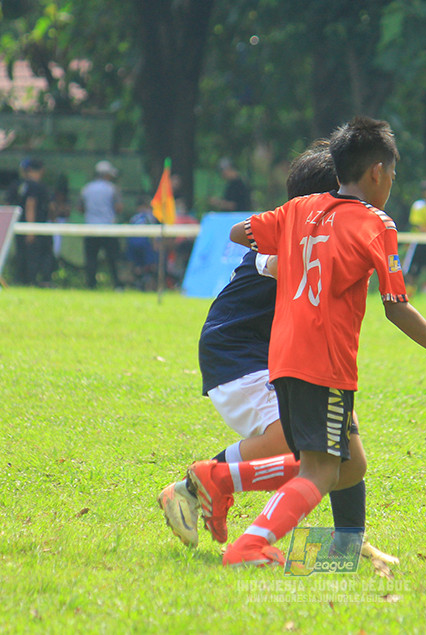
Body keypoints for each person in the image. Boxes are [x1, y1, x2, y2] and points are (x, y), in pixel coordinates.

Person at [192, 117, 426, 567]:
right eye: (393, 175)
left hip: (282, 357)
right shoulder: (376, 223)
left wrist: (293, 248)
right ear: (377, 172)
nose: (392, 184)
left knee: (349, 464)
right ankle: (247, 537)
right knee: (321, 471)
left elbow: (240, 232)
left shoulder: (302, 210)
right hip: (325, 361)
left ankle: (325, 542)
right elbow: (396, 306)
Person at [158, 141, 396, 564]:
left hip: (286, 355)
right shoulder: (293, 239)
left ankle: (344, 545)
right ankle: (193, 487)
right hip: (240, 353)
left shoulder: (319, 229)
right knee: (297, 442)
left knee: (344, 440)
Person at [80, 160, 123, 289]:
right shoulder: (113, 189)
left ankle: (91, 284)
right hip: (108, 229)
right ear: (106, 175)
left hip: (90, 228)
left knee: (91, 259)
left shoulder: (86, 189)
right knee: (113, 259)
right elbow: (119, 207)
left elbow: (80, 208)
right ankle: (117, 285)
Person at [16, 159, 53, 286]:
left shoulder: (21, 185)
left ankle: (23, 280)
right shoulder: (36, 186)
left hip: (20, 225)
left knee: (23, 254)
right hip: (36, 226)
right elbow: (30, 204)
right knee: (38, 254)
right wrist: (31, 228)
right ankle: (37, 281)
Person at [126, 196, 159, 291]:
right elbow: (152, 231)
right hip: (144, 242)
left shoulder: (134, 217)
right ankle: (148, 285)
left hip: (132, 242)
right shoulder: (149, 216)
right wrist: (155, 244)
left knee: (137, 265)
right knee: (150, 265)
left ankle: (139, 284)